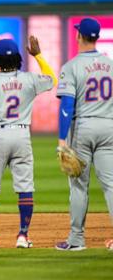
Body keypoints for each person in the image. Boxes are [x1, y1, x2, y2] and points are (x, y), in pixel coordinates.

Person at [0, 37, 57, 248]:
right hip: (21, 135)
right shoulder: (29, 79)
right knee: (25, 186)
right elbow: (52, 79)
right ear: (19, 58)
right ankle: (23, 236)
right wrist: (37, 55)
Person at [55, 18, 113, 251]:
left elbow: (67, 105)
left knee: (79, 185)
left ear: (79, 36)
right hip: (109, 127)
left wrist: (61, 139)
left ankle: (77, 240)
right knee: (111, 185)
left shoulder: (72, 66)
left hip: (83, 128)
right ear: (96, 37)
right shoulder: (110, 64)